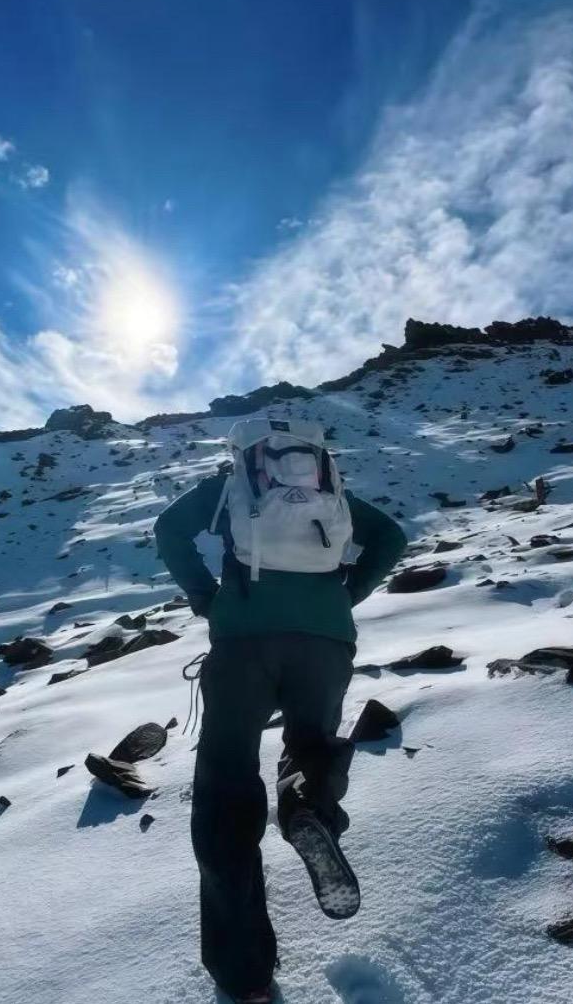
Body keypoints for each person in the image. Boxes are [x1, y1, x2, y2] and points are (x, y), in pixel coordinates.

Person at [154, 417, 406, 1003]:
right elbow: (390, 537)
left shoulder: (232, 487)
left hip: (243, 644)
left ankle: (245, 979)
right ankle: (306, 807)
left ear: (243, 450)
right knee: (310, 746)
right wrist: (345, 595)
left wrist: (206, 599)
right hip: (325, 643)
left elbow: (169, 531)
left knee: (226, 785)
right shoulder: (330, 486)